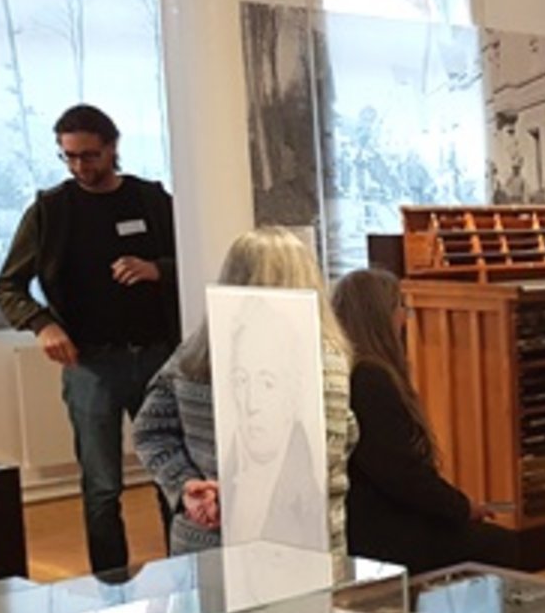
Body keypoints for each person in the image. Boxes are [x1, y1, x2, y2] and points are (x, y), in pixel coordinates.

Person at [0, 104, 178, 574]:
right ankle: (111, 585)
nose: (80, 166)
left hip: (158, 358)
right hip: (90, 363)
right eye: (69, 156)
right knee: (101, 484)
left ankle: (185, 576)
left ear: (112, 148)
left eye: (89, 155)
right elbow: (8, 286)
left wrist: (157, 269)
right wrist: (43, 324)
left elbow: (199, 255)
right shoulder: (51, 210)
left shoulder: (151, 200)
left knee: (172, 474)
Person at [134, 228, 355, 556]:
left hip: (204, 540)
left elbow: (150, 430)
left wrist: (186, 485)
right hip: (299, 546)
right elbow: (330, 447)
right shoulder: (321, 358)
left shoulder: (193, 355)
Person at [333, 268, 500, 574]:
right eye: (401, 308)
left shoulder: (349, 372)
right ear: (381, 316)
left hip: (374, 521)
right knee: (504, 549)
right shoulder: (370, 378)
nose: (405, 319)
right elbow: (404, 475)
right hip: (385, 531)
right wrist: (462, 507)